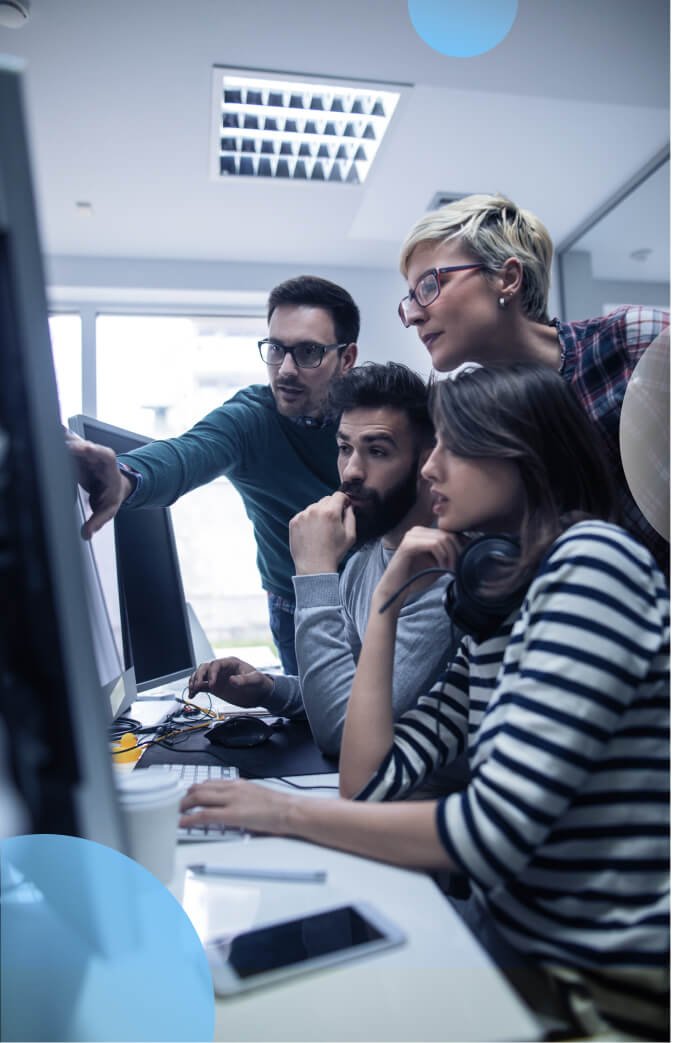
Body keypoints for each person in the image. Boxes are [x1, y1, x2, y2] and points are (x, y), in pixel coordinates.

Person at [180, 364, 669, 1040]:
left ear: (522, 455)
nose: (429, 469)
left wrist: (283, 811)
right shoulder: (499, 615)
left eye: (452, 446)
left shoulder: (591, 562)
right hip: (519, 948)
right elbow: (370, 781)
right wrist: (387, 603)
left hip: (595, 986)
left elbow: (486, 832)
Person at [67, 275, 359, 674]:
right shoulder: (249, 420)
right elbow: (188, 452)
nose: (286, 369)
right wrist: (123, 478)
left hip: (378, 590)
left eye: (308, 352)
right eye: (276, 349)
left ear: (346, 358)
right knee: (314, 727)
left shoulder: (375, 412)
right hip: (295, 604)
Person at [189, 362, 458, 759]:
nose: (350, 471)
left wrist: (314, 571)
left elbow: (343, 731)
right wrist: (268, 689)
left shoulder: (441, 576)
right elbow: (344, 692)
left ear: (426, 461)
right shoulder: (365, 561)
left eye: (378, 451)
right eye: (344, 448)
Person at [396, 192, 669, 575]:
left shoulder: (634, 340)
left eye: (428, 286)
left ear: (507, 279)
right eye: (410, 299)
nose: (413, 317)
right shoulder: (477, 426)